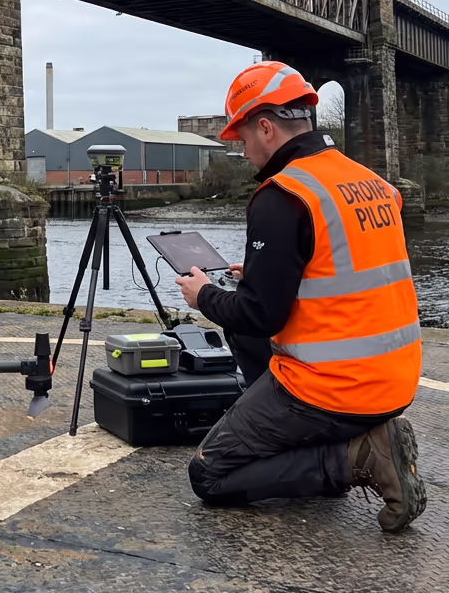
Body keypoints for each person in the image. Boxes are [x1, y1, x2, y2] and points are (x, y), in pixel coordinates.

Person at [175, 61, 426, 533]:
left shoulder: (283, 195)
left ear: (266, 128)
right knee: (244, 325)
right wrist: (268, 272)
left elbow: (258, 314)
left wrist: (202, 294)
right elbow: (349, 270)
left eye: (243, 139)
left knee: (210, 474)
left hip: (331, 389)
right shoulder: (369, 182)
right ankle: (354, 439)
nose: (244, 152)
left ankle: (357, 459)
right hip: (393, 380)